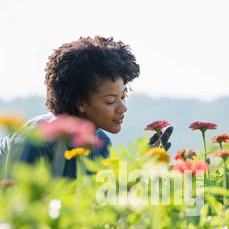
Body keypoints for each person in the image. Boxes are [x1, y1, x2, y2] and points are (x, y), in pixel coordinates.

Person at [0, 36, 173, 179]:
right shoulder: (35, 139)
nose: (123, 108)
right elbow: (15, 203)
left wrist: (140, 167)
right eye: (111, 101)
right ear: (81, 103)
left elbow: (96, 203)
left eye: (123, 96)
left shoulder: (101, 143)